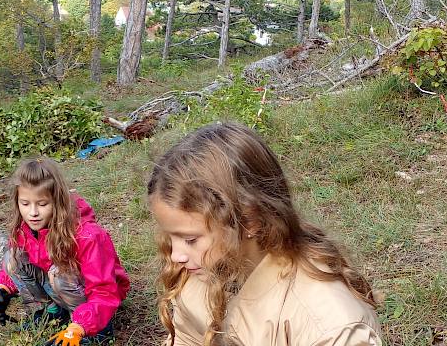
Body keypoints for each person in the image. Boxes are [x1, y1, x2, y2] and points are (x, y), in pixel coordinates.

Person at [149, 122, 381, 346]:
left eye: (190, 240)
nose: (176, 255)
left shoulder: (328, 324)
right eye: (171, 237)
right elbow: (187, 337)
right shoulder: (201, 271)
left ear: (250, 221)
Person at [0, 157, 130, 345]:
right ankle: (50, 313)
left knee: (59, 273)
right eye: (25, 203)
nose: (33, 212)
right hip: (61, 288)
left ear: (57, 201)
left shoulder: (88, 236)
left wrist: (79, 328)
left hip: (94, 301)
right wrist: (2, 289)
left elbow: (104, 292)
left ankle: (92, 330)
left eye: (42, 204)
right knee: (13, 258)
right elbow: (24, 265)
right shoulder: (24, 228)